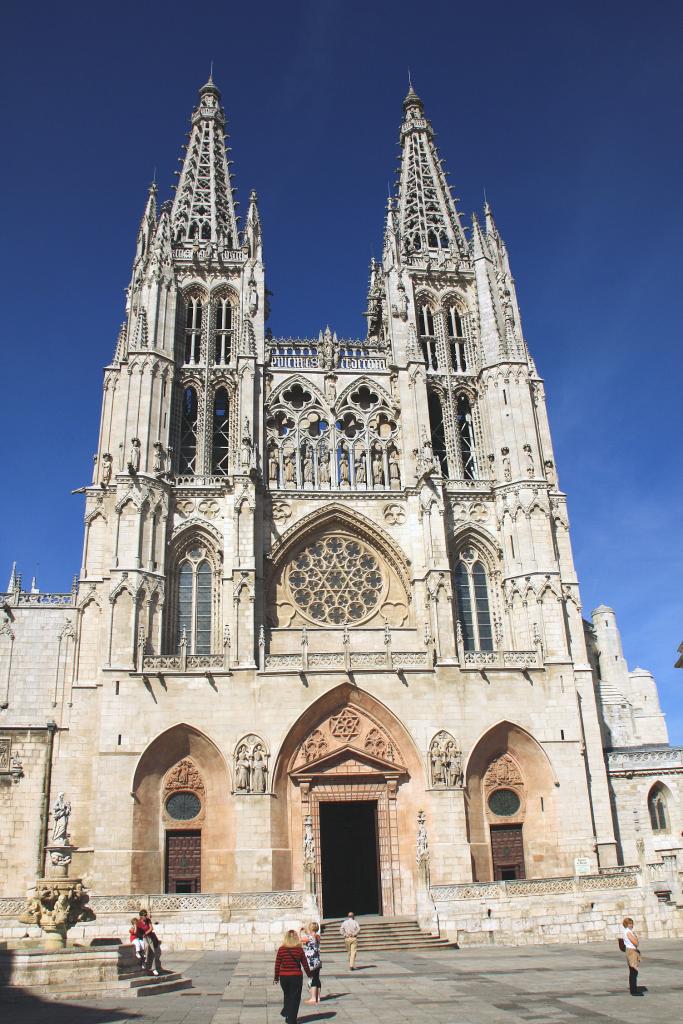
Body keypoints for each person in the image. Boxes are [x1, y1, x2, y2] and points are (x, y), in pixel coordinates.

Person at [274, 929, 311, 1024]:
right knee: (295, 998)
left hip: (284, 977)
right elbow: (305, 964)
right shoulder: (299, 950)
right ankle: (291, 1020)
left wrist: (276, 978)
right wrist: (310, 975)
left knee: (287, 996)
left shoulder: (281, 949)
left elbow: (277, 964)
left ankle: (287, 1013)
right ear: (296, 938)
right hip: (296, 977)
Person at [300, 921, 322, 1005]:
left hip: (311, 961)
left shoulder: (309, 937)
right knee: (316, 978)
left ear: (311, 928)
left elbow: (299, 940)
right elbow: (311, 936)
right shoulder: (317, 936)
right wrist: (306, 931)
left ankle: (313, 998)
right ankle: (318, 997)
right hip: (317, 960)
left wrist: (300, 931)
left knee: (312, 979)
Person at [621, 917, 642, 996]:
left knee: (633, 971)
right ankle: (634, 990)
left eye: (631, 923)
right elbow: (635, 943)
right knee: (634, 971)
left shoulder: (627, 931)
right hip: (631, 951)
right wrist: (636, 939)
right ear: (626, 924)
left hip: (630, 950)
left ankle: (633, 989)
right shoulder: (628, 932)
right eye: (629, 924)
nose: (631, 925)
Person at [138, 909, 162, 976]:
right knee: (147, 947)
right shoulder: (138, 922)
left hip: (149, 936)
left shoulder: (148, 920)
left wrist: (145, 933)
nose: (145, 916)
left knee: (153, 952)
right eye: (144, 915)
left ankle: (154, 969)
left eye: (146, 915)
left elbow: (151, 928)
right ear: (141, 916)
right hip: (143, 938)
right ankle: (145, 963)